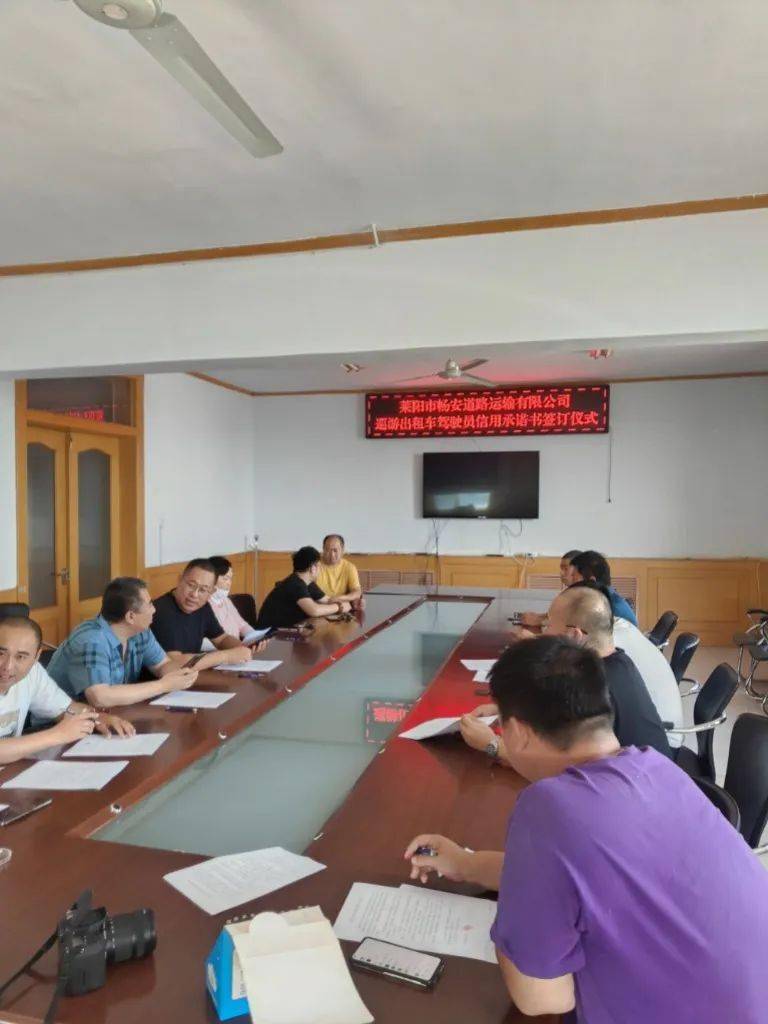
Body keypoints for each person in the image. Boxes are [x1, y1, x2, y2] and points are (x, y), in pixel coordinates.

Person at [406, 637, 768, 1023]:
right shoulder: (656, 768)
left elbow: (541, 998)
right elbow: (570, 877)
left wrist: (515, 923)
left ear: (519, 732)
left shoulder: (548, 808)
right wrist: (465, 863)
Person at [461, 584, 672, 760]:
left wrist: (492, 745)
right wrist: (506, 710)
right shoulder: (618, 661)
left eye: (548, 625)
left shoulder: (593, 687)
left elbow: (557, 764)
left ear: (573, 635)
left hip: (635, 793)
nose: (544, 633)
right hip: (655, 777)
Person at [48, 577, 200, 707]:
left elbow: (162, 665)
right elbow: (100, 697)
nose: (154, 610)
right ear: (130, 617)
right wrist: (163, 685)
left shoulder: (140, 632)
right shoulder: (92, 640)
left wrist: (181, 674)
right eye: (150, 604)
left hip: (108, 714)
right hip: (59, 720)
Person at [0, 616, 134, 764]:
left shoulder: (33, 673)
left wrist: (98, 718)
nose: (7, 666)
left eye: (20, 657)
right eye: (0, 653)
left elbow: (66, 709)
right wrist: (57, 735)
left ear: (36, 657)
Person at [151, 559, 264, 666]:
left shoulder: (203, 607)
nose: (194, 595)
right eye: (191, 585)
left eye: (203, 590)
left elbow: (221, 639)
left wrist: (244, 648)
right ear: (180, 579)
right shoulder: (160, 610)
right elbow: (175, 662)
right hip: (165, 678)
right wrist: (225, 656)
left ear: (211, 592)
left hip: (190, 675)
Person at [257, 546, 352, 628]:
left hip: (285, 634)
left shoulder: (308, 583)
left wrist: (348, 602)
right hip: (269, 636)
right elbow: (314, 610)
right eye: (319, 566)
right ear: (313, 568)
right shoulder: (295, 584)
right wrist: (339, 607)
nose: (320, 570)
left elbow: (328, 600)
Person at [568, 550, 638, 626]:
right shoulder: (605, 600)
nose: (571, 584)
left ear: (591, 582)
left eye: (574, 578)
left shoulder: (610, 609)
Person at [518, 548, 582, 628]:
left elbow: (570, 623)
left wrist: (539, 621)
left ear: (579, 570)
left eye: (566, 569)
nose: (561, 573)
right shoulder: (569, 591)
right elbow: (557, 615)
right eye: (561, 569)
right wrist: (538, 616)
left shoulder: (585, 595)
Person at [207, 556, 258, 641]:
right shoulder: (203, 604)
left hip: (237, 647)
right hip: (220, 649)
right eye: (225, 579)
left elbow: (242, 625)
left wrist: (256, 637)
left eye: (230, 578)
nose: (229, 583)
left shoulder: (226, 601)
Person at [315, 535, 364, 608]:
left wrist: (339, 598)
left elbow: (356, 592)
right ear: (323, 549)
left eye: (335, 550)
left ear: (342, 550)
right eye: (328, 550)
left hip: (340, 607)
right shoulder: (314, 566)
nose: (332, 554)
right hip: (318, 607)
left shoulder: (349, 567)